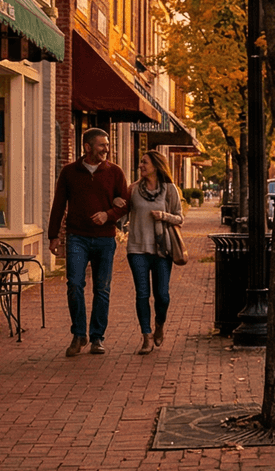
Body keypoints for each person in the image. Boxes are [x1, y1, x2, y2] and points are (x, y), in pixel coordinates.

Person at [47, 128, 130, 356]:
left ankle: (97, 337)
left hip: (105, 238)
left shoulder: (115, 172)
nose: (106, 149)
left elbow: (125, 204)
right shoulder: (69, 172)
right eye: (102, 145)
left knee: (102, 289)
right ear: (87, 147)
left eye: (107, 145)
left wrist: (108, 215)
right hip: (77, 237)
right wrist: (53, 236)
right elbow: (58, 204)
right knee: (74, 284)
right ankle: (78, 334)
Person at [126, 149, 183, 354]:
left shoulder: (169, 189)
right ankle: (147, 336)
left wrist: (163, 216)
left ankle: (159, 324)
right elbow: (121, 214)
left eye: (145, 162)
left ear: (156, 166)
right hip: (137, 249)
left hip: (162, 250)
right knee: (142, 294)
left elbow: (179, 218)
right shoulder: (133, 189)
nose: (140, 165)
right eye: (141, 162)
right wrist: (116, 203)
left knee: (162, 295)